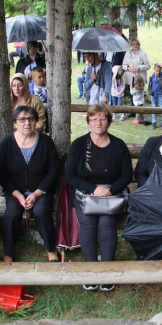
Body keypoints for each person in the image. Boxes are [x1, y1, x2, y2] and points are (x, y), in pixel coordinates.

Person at [65, 104, 133, 291]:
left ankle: (107, 271)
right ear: (88, 122)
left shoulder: (118, 145)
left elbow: (127, 175)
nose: (98, 123)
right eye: (94, 119)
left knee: (106, 223)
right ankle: (92, 271)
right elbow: (70, 176)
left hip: (112, 194)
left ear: (109, 122)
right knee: (87, 224)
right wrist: (93, 188)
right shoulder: (79, 145)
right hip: (85, 194)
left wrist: (109, 191)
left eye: (102, 119)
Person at [0, 106, 59, 263]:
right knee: (11, 214)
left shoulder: (46, 142)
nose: (27, 123)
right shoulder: (6, 143)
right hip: (14, 192)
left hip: (41, 191)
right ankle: (9, 254)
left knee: (41, 211)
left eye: (31, 119)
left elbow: (53, 171)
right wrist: (17, 195)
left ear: (36, 121)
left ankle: (51, 251)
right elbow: (1, 174)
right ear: (14, 123)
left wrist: (37, 193)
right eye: (22, 119)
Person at [122, 38, 150, 114]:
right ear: (131, 45)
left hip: (139, 77)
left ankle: (139, 111)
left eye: (136, 44)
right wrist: (128, 68)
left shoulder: (143, 53)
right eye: (133, 44)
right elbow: (123, 65)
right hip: (130, 76)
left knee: (139, 93)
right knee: (132, 92)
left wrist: (139, 67)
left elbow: (148, 66)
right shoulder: (127, 53)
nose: (135, 46)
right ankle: (132, 111)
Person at [148, 63, 162, 130]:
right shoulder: (152, 76)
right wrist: (150, 91)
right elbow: (150, 85)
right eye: (157, 70)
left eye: (159, 70)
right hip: (153, 95)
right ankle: (154, 123)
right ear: (154, 69)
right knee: (154, 108)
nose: (158, 72)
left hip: (160, 94)